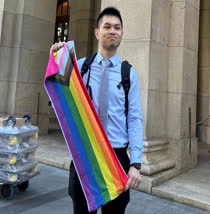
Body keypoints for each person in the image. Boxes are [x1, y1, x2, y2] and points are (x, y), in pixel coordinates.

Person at [50, 7, 143, 214]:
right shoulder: (81, 67)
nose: (112, 31)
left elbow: (135, 119)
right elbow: (60, 93)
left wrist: (136, 163)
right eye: (107, 26)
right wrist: (57, 57)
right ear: (97, 33)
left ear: (121, 33)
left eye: (117, 28)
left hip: (116, 157)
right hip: (86, 155)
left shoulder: (129, 74)